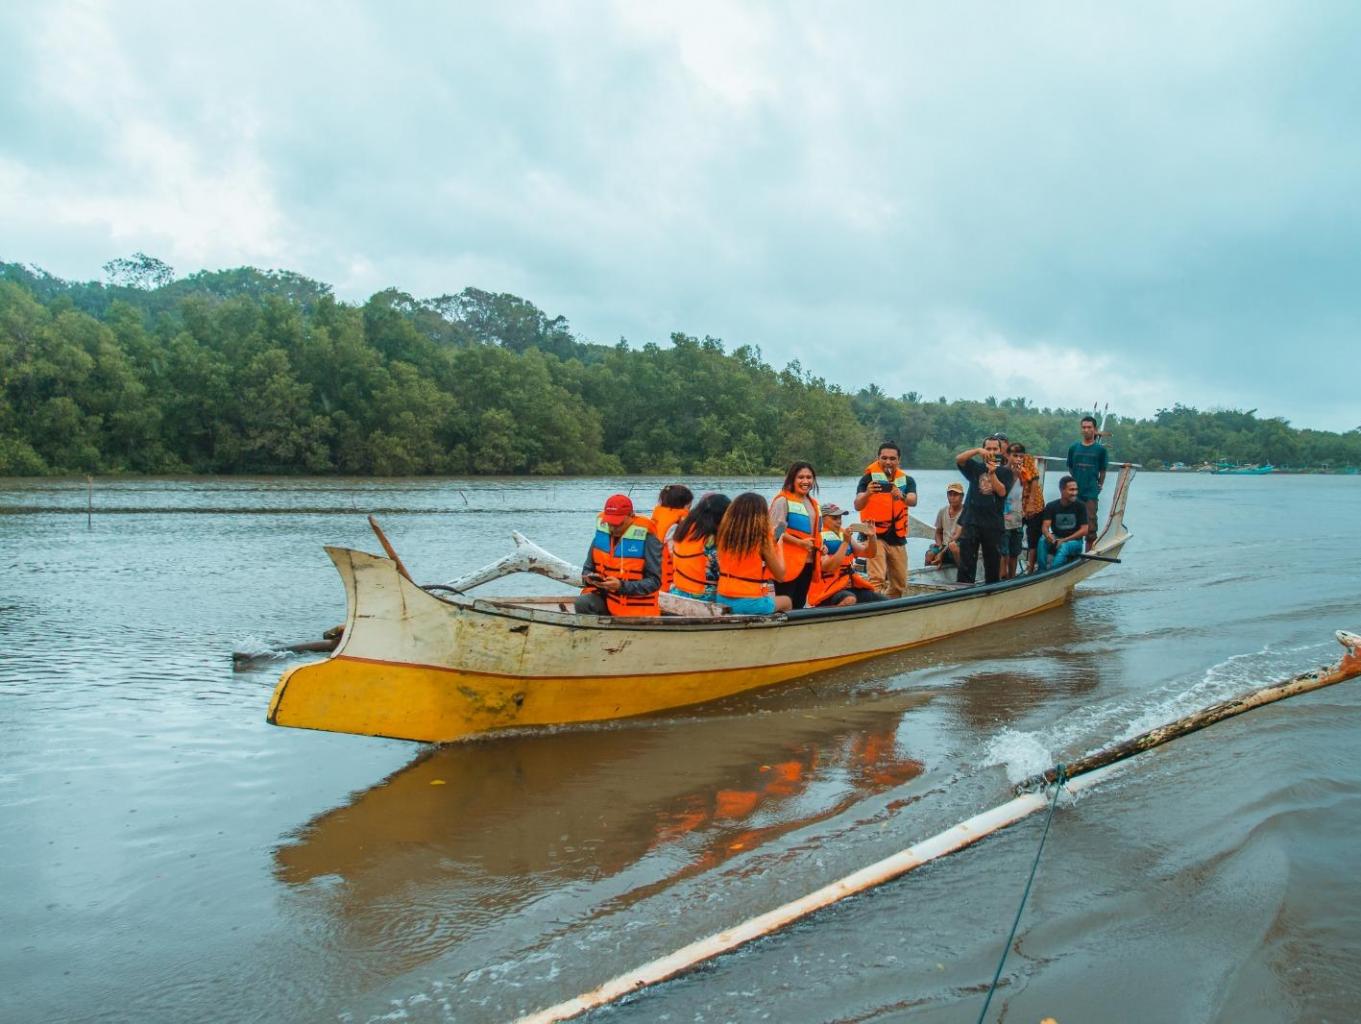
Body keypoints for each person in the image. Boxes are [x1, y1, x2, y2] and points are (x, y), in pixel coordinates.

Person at [575, 494, 662, 616]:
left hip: (636, 611)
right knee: (583, 603)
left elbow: (654, 582)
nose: (612, 528)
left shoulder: (648, 539)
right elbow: (587, 569)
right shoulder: (602, 535)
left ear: (631, 516)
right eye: (609, 523)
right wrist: (590, 579)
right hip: (607, 599)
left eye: (618, 524)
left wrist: (621, 586)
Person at [853, 441, 917, 598]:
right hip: (874, 535)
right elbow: (857, 505)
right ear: (878, 458)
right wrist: (868, 493)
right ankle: (874, 609)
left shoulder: (907, 480)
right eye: (884, 458)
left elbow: (913, 500)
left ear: (898, 460)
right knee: (877, 578)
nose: (888, 462)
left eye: (892, 458)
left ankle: (887, 606)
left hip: (897, 537)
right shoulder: (868, 479)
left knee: (900, 583)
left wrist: (901, 496)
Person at [715, 492, 791, 615]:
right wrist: (779, 546)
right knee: (787, 601)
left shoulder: (724, 535)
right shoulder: (763, 540)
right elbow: (780, 576)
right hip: (750, 602)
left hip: (722, 598)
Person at [954, 434, 1014, 585]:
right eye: (988, 448)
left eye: (995, 449)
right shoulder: (975, 468)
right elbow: (959, 459)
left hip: (993, 524)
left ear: (1000, 451)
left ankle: (991, 590)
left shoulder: (1006, 472)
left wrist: (992, 473)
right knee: (966, 561)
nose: (991, 452)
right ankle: (963, 591)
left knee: (992, 563)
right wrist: (977, 451)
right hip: (972, 521)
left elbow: (1001, 492)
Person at [809, 504, 886, 607]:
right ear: (823, 518)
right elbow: (828, 567)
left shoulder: (843, 533)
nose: (839, 521)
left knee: (883, 600)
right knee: (849, 599)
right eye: (834, 518)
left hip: (848, 586)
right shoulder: (818, 538)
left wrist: (872, 537)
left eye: (840, 517)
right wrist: (845, 542)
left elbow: (869, 553)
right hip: (828, 590)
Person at [770, 462, 822, 610]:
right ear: (792, 479)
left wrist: (821, 546)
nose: (805, 481)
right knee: (786, 605)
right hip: (786, 563)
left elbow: (817, 532)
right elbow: (775, 533)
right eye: (801, 477)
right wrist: (799, 543)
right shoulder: (783, 501)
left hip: (808, 563)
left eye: (809, 477)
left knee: (799, 605)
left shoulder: (814, 504)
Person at [668, 492, 731, 603]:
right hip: (703, 596)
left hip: (678, 591)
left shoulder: (683, 530)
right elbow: (726, 571)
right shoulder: (711, 540)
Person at [1067, 415, 1109, 551]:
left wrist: (1100, 485)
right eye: (1084, 427)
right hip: (1075, 492)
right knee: (1073, 523)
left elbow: (1103, 470)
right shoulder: (1074, 448)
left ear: (1094, 430)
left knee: (1091, 525)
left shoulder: (1100, 450)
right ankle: (1073, 553)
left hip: (1090, 492)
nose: (1086, 430)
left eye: (1089, 427)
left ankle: (1088, 553)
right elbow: (1070, 467)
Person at [1037, 475, 1090, 570]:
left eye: (1076, 490)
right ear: (1062, 490)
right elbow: (1045, 526)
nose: (1074, 493)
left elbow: (1084, 530)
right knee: (1042, 541)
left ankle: (1053, 572)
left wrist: (1064, 540)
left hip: (1074, 542)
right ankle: (1041, 570)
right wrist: (1048, 534)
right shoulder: (1051, 506)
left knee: (1064, 546)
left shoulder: (1080, 506)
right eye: (1071, 490)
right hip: (1057, 538)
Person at [651, 483, 694, 591]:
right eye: (690, 504)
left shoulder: (657, 519)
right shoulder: (674, 525)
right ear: (684, 505)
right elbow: (677, 554)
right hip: (669, 583)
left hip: (655, 576)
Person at [1015, 445, 1046, 575]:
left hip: (1034, 504)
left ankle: (1031, 568)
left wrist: (1031, 503)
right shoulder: (1005, 461)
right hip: (1017, 506)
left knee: (1033, 537)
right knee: (1014, 535)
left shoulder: (1026, 459)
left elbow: (1034, 479)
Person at [1000, 444, 1027, 579]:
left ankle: (1011, 579)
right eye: (1015, 456)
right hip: (1003, 520)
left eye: (1021, 456)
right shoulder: (1002, 472)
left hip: (1017, 519)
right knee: (1003, 551)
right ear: (1008, 456)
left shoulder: (1024, 474)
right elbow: (1001, 493)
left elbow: (1025, 494)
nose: (1018, 459)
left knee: (1014, 552)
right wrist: (1014, 474)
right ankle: (1002, 578)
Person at [925, 482, 965, 568]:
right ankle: (927, 578)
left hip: (960, 546)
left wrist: (942, 553)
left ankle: (963, 572)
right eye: (950, 495)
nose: (953, 497)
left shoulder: (966, 512)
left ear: (962, 497)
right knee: (929, 554)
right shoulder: (942, 511)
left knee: (953, 546)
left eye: (956, 495)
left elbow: (959, 537)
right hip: (944, 545)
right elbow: (938, 532)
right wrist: (939, 544)